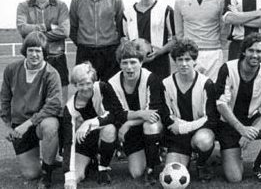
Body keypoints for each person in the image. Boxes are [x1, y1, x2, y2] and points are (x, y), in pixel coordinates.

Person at [215, 33, 261, 183]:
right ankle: (223, 154)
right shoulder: (227, 68)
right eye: (251, 50)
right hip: (228, 124)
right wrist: (240, 129)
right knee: (234, 178)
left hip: (251, 122)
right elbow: (220, 103)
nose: (255, 55)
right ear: (244, 51)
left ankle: (259, 164)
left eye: (259, 51)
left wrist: (251, 131)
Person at [0, 31, 63, 189]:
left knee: (50, 126)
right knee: (31, 174)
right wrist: (7, 125)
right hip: (19, 123)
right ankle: (49, 160)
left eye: (38, 51)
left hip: (40, 122)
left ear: (44, 53)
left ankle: (48, 173)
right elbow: (4, 98)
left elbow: (54, 105)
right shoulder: (12, 69)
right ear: (25, 51)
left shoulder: (51, 74)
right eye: (31, 50)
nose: (34, 54)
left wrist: (28, 124)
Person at [149, 39, 217, 182]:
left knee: (203, 141)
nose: (184, 64)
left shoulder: (206, 84)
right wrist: (179, 128)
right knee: (171, 173)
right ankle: (185, 155)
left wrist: (183, 127)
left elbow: (210, 118)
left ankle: (201, 164)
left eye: (188, 59)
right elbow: (167, 116)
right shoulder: (166, 84)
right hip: (177, 136)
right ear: (175, 61)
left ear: (194, 61)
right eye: (180, 59)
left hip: (198, 131)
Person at [108, 40, 163, 186]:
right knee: (136, 172)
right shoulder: (112, 83)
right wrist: (140, 114)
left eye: (133, 62)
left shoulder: (152, 79)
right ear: (119, 64)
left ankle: (152, 168)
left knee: (150, 125)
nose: (129, 67)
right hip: (132, 131)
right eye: (125, 63)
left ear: (141, 62)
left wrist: (130, 122)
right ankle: (151, 155)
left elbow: (154, 112)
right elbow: (117, 114)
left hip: (149, 125)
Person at [16, 0, 70, 103]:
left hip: (57, 58)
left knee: (60, 103)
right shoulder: (23, 6)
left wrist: (34, 34)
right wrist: (47, 27)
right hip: (33, 59)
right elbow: (23, 29)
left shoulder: (61, 6)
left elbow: (64, 31)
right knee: (33, 103)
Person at [62, 63, 119, 188]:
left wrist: (89, 122)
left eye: (88, 83)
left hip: (104, 136)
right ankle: (91, 161)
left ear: (94, 81)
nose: (85, 87)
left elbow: (114, 115)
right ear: (75, 85)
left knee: (109, 129)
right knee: (77, 177)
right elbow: (69, 142)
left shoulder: (103, 88)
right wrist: (69, 177)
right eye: (80, 84)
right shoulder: (70, 108)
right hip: (85, 142)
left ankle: (103, 168)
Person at [70, 0, 125, 82]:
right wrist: (83, 43)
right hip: (85, 51)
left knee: (110, 90)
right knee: (85, 89)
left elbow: (121, 27)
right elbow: (72, 27)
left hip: (110, 52)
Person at [174, 0, 224, 81]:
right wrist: (187, 51)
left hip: (214, 54)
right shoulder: (180, 2)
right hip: (190, 54)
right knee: (191, 91)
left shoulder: (220, 1)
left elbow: (224, 29)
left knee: (213, 92)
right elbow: (179, 32)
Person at [123, 0, 176, 80]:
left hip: (160, 63)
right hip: (136, 64)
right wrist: (133, 52)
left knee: (159, 94)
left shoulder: (166, 10)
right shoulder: (127, 13)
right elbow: (123, 39)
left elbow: (174, 39)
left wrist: (159, 52)